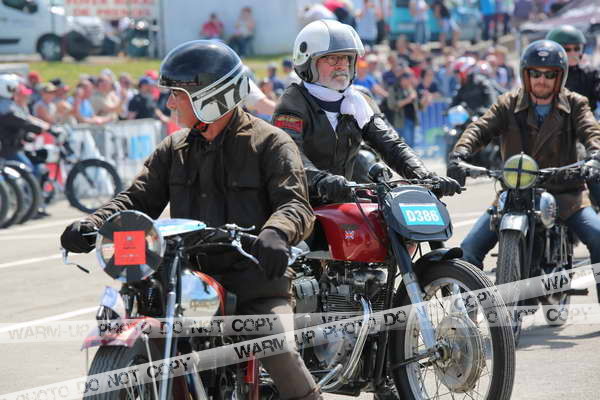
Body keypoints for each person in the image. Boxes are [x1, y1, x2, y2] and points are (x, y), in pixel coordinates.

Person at [59, 40, 320, 400]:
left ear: (210, 97)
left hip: (253, 279)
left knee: (278, 346)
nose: (169, 103)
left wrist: (276, 232)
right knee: (135, 315)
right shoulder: (174, 148)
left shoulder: (270, 143)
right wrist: (94, 223)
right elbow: (137, 198)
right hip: (184, 279)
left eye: (177, 95)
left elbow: (294, 204)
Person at [447, 40, 600, 302]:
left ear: (560, 76)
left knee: (598, 238)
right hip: (515, 193)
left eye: (549, 74)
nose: (542, 79)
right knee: (468, 249)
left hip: (566, 194)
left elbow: (591, 131)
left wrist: (595, 156)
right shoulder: (508, 103)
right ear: (525, 74)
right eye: (535, 73)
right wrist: (459, 154)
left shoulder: (575, 103)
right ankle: (464, 319)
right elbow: (480, 128)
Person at [273, 19, 461, 214]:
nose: (342, 65)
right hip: (301, 202)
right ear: (308, 62)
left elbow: (391, 145)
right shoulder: (292, 102)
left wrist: (425, 176)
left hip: (344, 200)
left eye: (346, 58)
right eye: (332, 59)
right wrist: (320, 180)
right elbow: (288, 156)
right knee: (295, 233)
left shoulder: (359, 100)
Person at [546, 25, 600, 210]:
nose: (573, 53)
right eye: (567, 49)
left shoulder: (590, 74)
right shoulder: (543, 76)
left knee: (592, 170)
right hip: (545, 135)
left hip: (583, 134)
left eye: (577, 48)